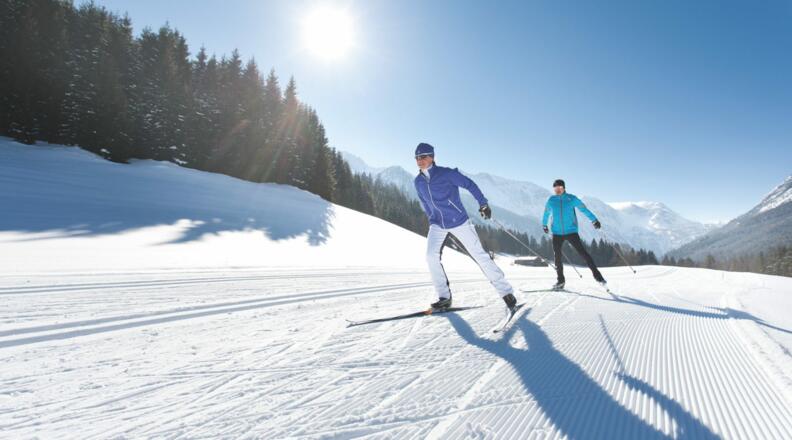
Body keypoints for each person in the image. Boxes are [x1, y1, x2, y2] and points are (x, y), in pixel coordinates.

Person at [413, 142, 517, 312]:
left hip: (459, 221)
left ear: (432, 157)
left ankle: (506, 292)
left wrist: (483, 203)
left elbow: (470, 184)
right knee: (430, 256)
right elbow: (424, 202)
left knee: (479, 256)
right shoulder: (418, 182)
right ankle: (444, 297)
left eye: (423, 156)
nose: (420, 160)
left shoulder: (447, 174)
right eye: (417, 157)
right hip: (437, 224)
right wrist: (431, 217)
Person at [542, 179, 606, 290]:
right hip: (557, 233)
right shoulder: (551, 200)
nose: (558, 190)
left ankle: (598, 276)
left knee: (583, 254)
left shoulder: (571, 199)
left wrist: (594, 220)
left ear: (564, 188)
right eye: (555, 189)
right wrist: (544, 225)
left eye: (560, 188)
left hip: (571, 231)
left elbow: (584, 209)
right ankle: (560, 281)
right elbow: (546, 213)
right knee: (557, 258)